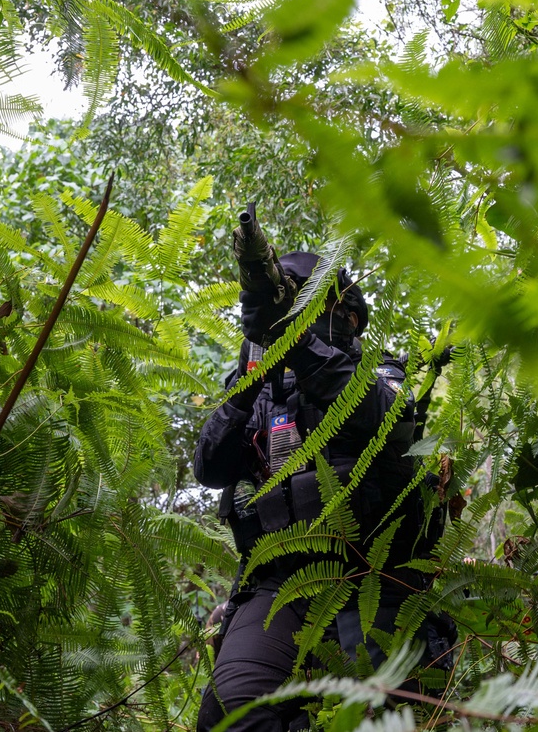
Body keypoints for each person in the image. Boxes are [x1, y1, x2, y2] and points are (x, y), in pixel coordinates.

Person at [194, 251, 447, 731]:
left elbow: (389, 422)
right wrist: (252, 373)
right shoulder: (261, 389)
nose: (297, 318)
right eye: (289, 308)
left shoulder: (383, 373)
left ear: (349, 317)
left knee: (374, 715)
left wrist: (301, 345)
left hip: (373, 578)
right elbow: (209, 467)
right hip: (280, 584)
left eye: (308, 304)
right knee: (232, 711)